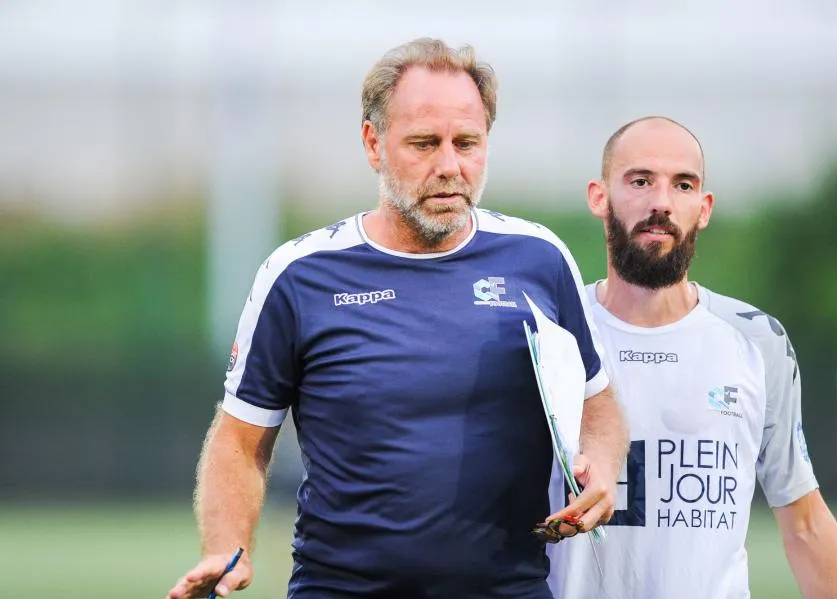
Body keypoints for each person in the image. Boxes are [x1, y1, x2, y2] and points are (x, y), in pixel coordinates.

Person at [165, 38, 629, 599]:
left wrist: (601, 468)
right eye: (424, 144)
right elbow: (239, 442)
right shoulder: (299, 275)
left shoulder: (539, 258)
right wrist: (225, 548)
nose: (449, 166)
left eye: (467, 143)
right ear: (373, 143)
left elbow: (597, 404)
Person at [546, 116, 837, 598]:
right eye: (640, 180)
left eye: (683, 185)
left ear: (705, 207)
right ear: (599, 197)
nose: (661, 202)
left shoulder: (757, 341)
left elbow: (805, 523)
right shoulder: (553, 337)